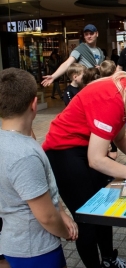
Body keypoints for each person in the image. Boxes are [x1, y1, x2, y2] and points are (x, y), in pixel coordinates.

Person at [42, 59, 126, 268]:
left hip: (83, 147)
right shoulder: (113, 97)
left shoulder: (124, 90)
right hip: (63, 150)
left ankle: (109, 260)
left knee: (103, 210)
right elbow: (97, 160)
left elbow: (119, 138)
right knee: (87, 219)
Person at [0, 68, 78, 268]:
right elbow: (46, 216)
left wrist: (60, 211)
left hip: (14, 242)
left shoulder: (13, 141)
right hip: (35, 249)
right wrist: (65, 231)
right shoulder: (24, 155)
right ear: (34, 104)